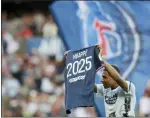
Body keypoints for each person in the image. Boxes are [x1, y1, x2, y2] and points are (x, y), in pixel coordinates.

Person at [94, 45, 136, 117]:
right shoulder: (105, 89)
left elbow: (117, 77)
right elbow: (88, 84)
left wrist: (101, 59)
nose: (101, 80)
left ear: (112, 77)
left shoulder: (128, 87)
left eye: (104, 77)